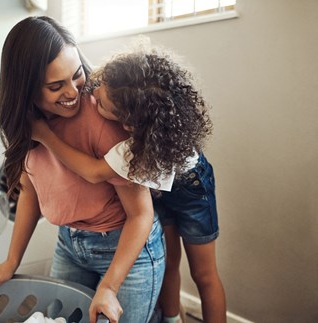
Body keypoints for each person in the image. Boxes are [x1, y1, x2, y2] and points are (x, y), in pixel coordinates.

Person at [0, 16, 165, 323]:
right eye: (55, 86)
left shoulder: (102, 120)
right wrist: (11, 260)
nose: (73, 92)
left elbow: (141, 214)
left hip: (124, 249)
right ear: (26, 91)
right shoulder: (26, 124)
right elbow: (30, 194)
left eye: (76, 76)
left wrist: (110, 287)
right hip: (69, 246)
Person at [31, 40, 226, 323]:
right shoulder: (118, 90)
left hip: (192, 189)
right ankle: (172, 319)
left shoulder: (130, 147)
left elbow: (93, 172)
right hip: (158, 191)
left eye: (102, 104)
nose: (93, 94)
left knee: (204, 274)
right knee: (170, 262)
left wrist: (45, 136)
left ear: (129, 124)